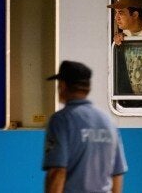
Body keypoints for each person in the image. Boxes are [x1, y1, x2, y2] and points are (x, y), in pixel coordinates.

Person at [43, 61, 128, 193]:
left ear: (63, 85)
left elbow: (58, 172)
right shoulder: (108, 121)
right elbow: (117, 174)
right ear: (87, 87)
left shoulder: (61, 120)